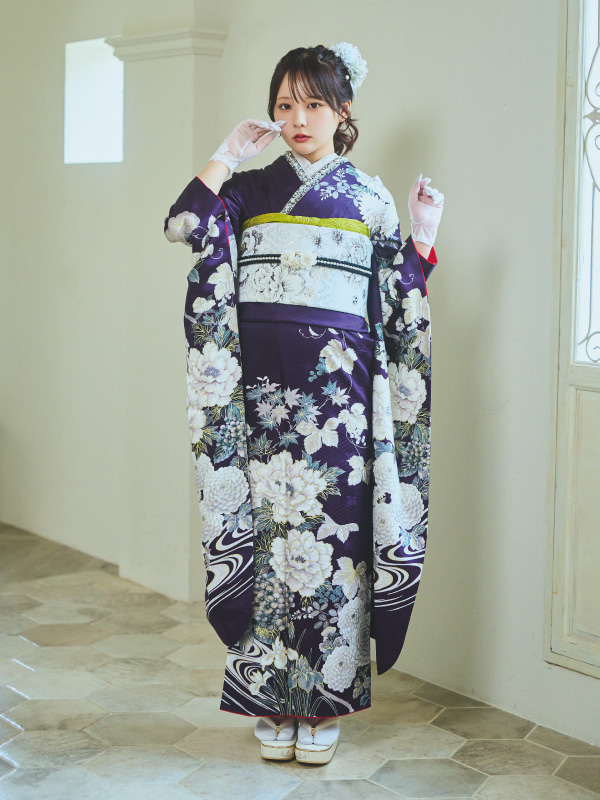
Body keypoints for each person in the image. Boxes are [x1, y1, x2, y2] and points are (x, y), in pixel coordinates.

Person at [164, 42, 444, 766]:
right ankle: (268, 696)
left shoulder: (370, 198)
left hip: (338, 406)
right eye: (284, 104)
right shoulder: (249, 189)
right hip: (259, 401)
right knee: (268, 542)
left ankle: (323, 703)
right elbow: (183, 226)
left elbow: (398, 302)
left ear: (343, 110)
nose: (297, 118)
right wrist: (225, 155)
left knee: (333, 550)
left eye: (313, 104)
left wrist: (421, 238)